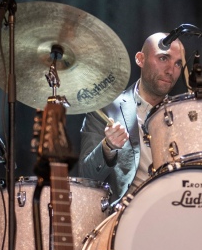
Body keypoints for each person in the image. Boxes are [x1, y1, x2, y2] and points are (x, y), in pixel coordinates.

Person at [78, 32, 185, 204]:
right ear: (140, 59)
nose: (171, 70)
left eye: (178, 63)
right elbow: (86, 176)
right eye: (163, 58)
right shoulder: (106, 109)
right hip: (129, 215)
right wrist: (107, 147)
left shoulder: (184, 114)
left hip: (178, 205)